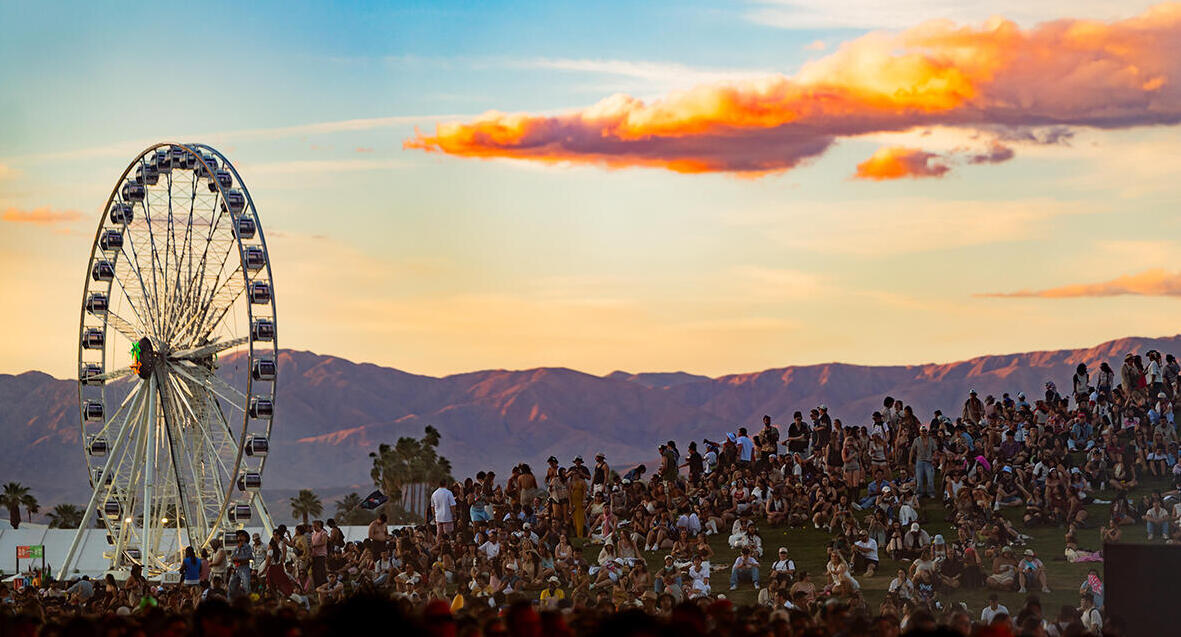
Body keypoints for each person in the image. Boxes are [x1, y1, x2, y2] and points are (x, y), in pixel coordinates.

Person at [910, 426, 937, 499]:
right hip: (919, 461)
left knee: (930, 479)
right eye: (922, 431)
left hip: (929, 461)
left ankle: (931, 492)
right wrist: (910, 461)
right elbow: (912, 450)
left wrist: (934, 459)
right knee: (919, 479)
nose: (924, 432)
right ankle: (919, 493)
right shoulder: (916, 440)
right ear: (920, 432)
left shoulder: (931, 440)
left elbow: (935, 450)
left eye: (925, 431)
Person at [227, 530, 252, 600]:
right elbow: (232, 558)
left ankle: (248, 602)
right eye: (238, 536)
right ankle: (230, 602)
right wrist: (236, 561)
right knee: (231, 586)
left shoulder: (247, 547)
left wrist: (239, 560)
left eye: (241, 536)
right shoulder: (236, 548)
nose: (239, 537)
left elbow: (248, 558)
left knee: (246, 586)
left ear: (245, 537)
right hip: (236, 569)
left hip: (244, 569)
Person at [310, 519, 329, 587]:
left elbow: (324, 542)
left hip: (321, 554)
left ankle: (323, 584)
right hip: (314, 554)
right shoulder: (314, 533)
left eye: (315, 526)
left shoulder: (323, 533)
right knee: (315, 571)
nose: (314, 528)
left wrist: (315, 545)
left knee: (320, 570)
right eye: (313, 527)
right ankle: (317, 585)